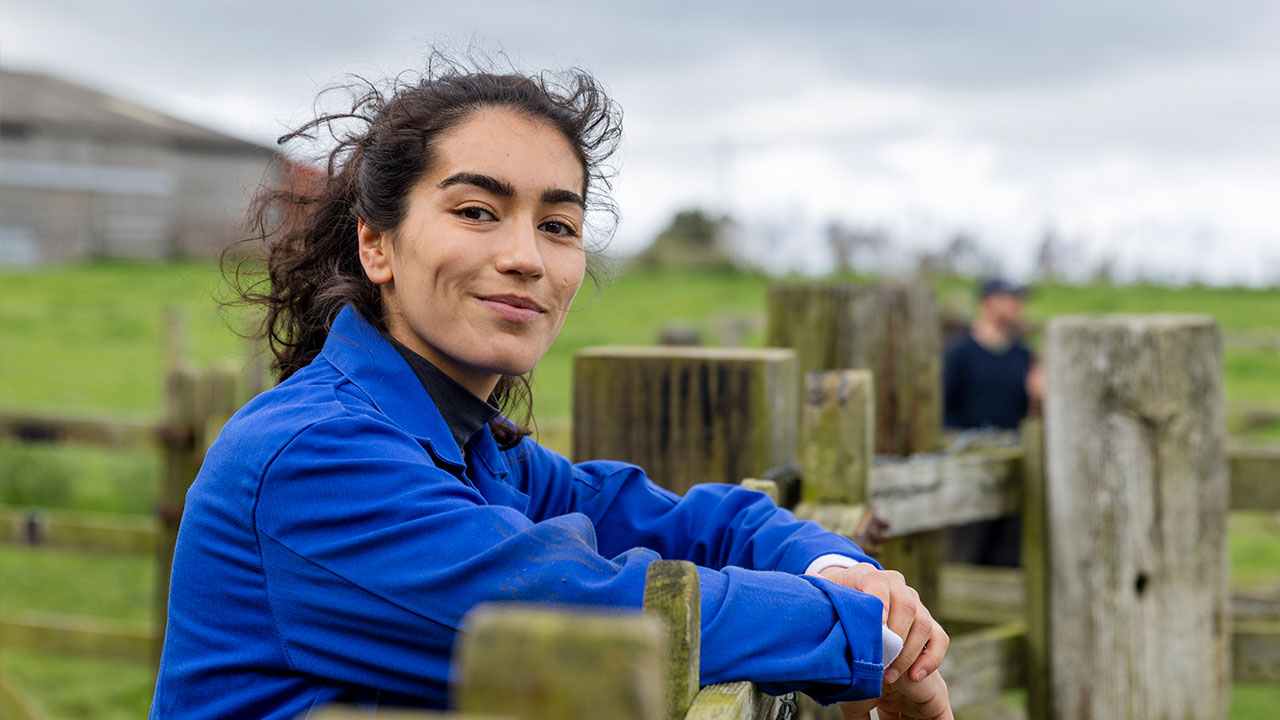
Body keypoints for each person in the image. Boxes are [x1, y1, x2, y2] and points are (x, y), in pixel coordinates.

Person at [149, 57, 952, 719]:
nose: (527, 256)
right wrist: (862, 635)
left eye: (558, 226)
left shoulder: (474, 445)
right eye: (476, 210)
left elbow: (691, 524)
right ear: (377, 245)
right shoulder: (314, 457)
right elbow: (584, 610)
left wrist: (837, 569)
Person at [942, 277, 1042, 566]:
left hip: (1013, 471)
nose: (1018, 306)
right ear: (988, 302)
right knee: (965, 553)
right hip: (968, 471)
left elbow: (1029, 416)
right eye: (1011, 299)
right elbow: (944, 408)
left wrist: (1037, 397)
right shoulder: (960, 353)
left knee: (1007, 555)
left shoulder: (1023, 355)